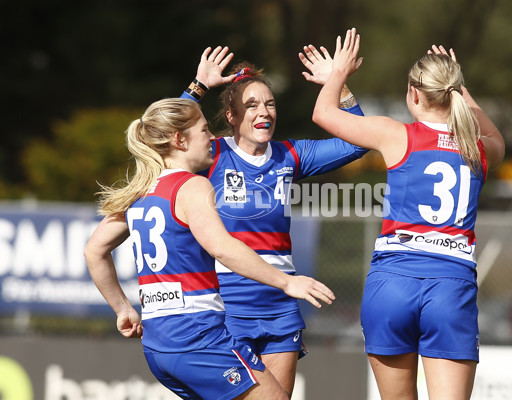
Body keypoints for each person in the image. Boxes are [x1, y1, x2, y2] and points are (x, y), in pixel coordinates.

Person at [83, 96, 336, 400]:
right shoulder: (191, 186)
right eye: (204, 130)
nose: (213, 137)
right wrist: (287, 281)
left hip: (157, 344)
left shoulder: (143, 189)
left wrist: (123, 309)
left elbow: (94, 250)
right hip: (197, 336)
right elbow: (222, 247)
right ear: (179, 139)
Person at [312, 29, 505, 400]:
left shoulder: (396, 134)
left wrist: (338, 74)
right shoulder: (479, 149)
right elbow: (497, 137)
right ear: (455, 95)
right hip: (450, 285)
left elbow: (323, 113)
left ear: (414, 95)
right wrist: (462, 89)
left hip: (392, 282)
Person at [178, 45, 368, 397]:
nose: (263, 112)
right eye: (251, 105)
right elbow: (164, 134)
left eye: (269, 104)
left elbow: (357, 143)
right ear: (232, 117)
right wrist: (198, 87)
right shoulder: (214, 154)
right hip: (227, 309)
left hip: (280, 308)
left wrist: (339, 86)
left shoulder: (290, 155)